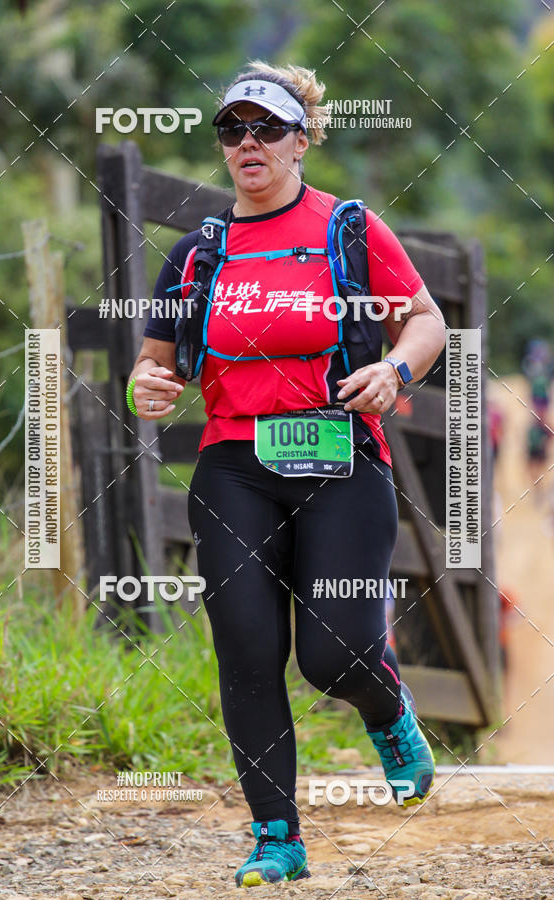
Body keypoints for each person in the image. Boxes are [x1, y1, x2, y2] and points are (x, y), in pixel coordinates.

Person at [127, 61, 446, 888]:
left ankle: (387, 708)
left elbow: (424, 319)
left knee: (333, 656)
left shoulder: (347, 227)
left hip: (340, 456)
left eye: (266, 127)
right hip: (234, 464)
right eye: (232, 129)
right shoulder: (199, 254)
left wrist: (398, 375)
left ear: (301, 140)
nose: (248, 143)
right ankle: (278, 837)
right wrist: (148, 384)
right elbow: (152, 363)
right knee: (246, 648)